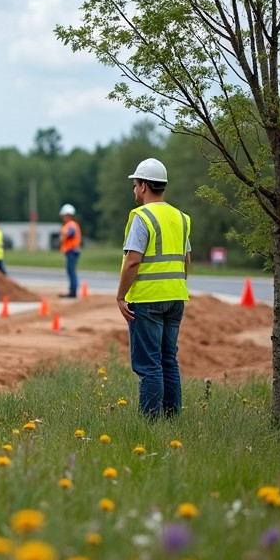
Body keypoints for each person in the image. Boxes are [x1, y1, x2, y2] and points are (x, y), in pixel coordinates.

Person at [116, 158, 191, 420]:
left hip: (148, 300)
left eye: (135, 185)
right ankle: (171, 419)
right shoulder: (181, 218)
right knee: (168, 360)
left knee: (149, 366)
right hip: (176, 298)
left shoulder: (142, 217)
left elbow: (133, 260)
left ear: (145, 185)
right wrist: (176, 287)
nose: (134, 190)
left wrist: (121, 296)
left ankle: (149, 423)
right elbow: (186, 260)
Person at [58, 204, 82, 298]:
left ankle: (73, 291)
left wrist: (64, 234)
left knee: (71, 271)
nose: (63, 217)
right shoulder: (71, 225)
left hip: (72, 251)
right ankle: (72, 290)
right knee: (71, 271)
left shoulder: (71, 225)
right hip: (71, 251)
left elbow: (71, 233)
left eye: (65, 215)